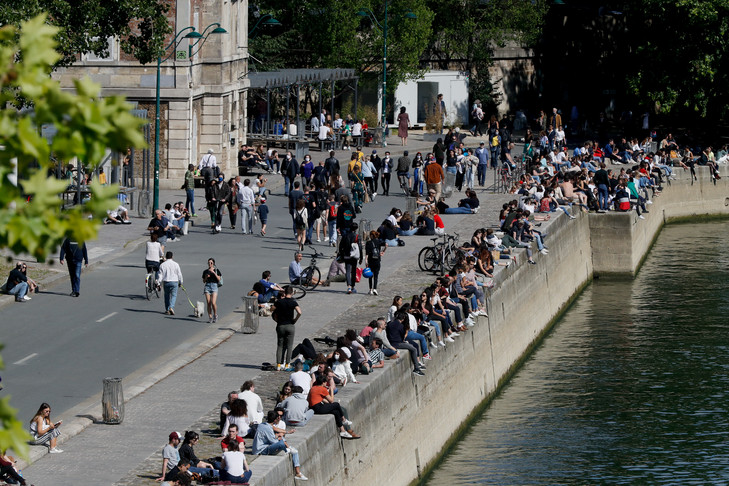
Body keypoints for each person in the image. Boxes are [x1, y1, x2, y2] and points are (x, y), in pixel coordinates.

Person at [252, 411, 308, 481]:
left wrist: (279, 435)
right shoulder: (267, 428)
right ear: (275, 420)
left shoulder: (263, 425)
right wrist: (279, 437)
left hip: (263, 446)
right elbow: (274, 441)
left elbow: (271, 436)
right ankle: (288, 449)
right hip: (261, 449)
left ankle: (298, 472)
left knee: (293, 450)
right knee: (281, 442)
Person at [271, 285, 302, 370]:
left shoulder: (279, 302)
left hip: (280, 325)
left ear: (284, 293)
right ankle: (287, 364)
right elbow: (299, 312)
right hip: (290, 325)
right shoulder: (293, 302)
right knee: (289, 345)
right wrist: (295, 319)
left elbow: (272, 309)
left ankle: (278, 365)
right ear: (292, 293)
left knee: (280, 345)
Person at [339, 222, 362, 295]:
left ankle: (348, 286)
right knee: (354, 271)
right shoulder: (357, 236)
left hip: (347, 255)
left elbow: (340, 246)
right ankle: (353, 286)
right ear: (356, 229)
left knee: (348, 271)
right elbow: (360, 247)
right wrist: (361, 257)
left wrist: (342, 254)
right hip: (354, 256)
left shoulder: (345, 235)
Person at [159, 251, 183, 315]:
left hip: (166, 282)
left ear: (166, 257)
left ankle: (167, 309)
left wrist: (158, 283)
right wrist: (180, 282)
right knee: (174, 295)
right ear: (172, 257)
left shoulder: (162, 265)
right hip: (174, 281)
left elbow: (160, 275)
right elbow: (179, 274)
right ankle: (171, 307)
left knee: (166, 296)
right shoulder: (176, 264)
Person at [202, 258, 222, 323]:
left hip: (214, 286)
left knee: (213, 303)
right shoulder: (205, 271)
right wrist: (206, 277)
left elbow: (219, 279)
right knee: (208, 303)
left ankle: (215, 315)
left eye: (211, 263)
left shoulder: (216, 270)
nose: (210, 264)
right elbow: (204, 281)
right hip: (207, 286)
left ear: (213, 263)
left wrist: (214, 273)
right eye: (209, 263)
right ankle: (210, 317)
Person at [365, 230, 385, 295]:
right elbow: (386, 244)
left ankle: (370, 289)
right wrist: (383, 251)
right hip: (377, 260)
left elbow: (367, 254)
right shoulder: (379, 242)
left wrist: (366, 262)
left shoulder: (368, 243)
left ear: (371, 236)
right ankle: (375, 289)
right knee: (376, 275)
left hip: (371, 261)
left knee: (370, 275)